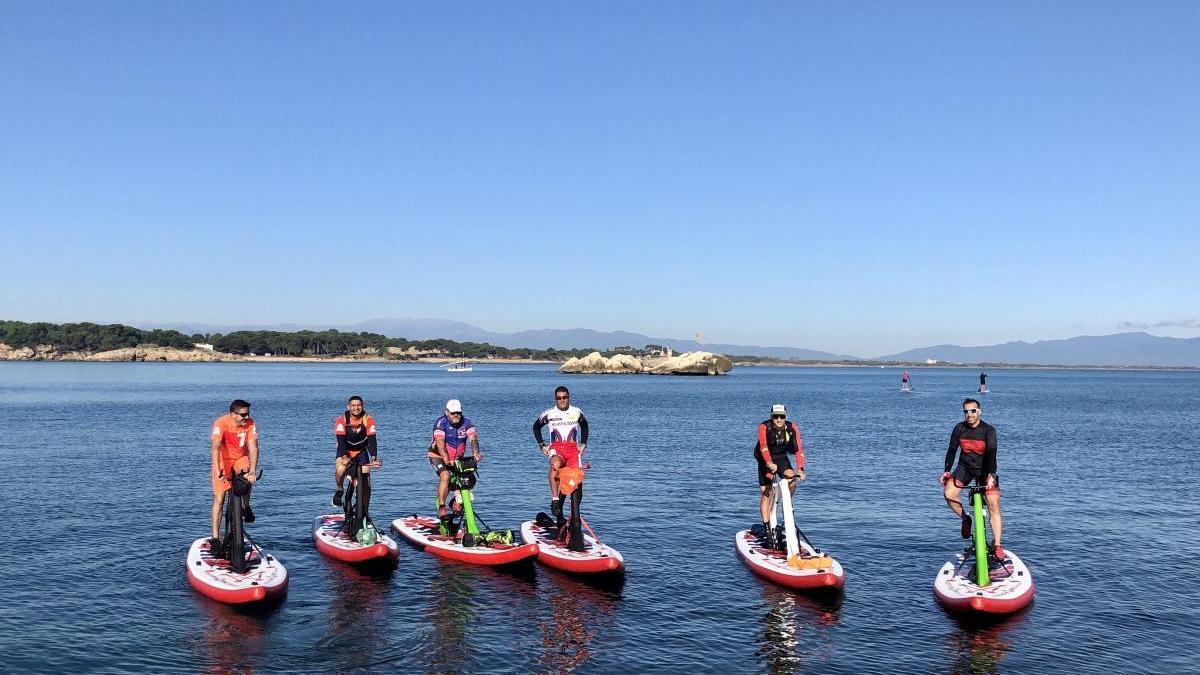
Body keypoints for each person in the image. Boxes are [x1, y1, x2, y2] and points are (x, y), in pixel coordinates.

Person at [940, 398, 1004, 560]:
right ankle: (966, 519)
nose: (969, 414)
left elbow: (991, 454)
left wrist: (991, 474)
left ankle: (997, 546)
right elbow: (952, 451)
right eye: (966, 411)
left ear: (979, 412)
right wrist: (947, 471)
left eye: (973, 411)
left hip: (985, 470)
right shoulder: (959, 428)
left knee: (994, 504)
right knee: (949, 493)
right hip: (965, 468)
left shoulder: (988, 430)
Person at [533, 386, 589, 526]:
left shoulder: (576, 412)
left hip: (572, 451)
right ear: (555, 399)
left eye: (564, 397)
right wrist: (542, 445)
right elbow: (536, 427)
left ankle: (571, 517)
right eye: (559, 398)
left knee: (574, 484)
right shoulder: (549, 413)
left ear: (569, 397)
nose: (562, 400)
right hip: (556, 449)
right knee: (555, 465)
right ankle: (555, 499)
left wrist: (583, 444)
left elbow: (585, 426)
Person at [754, 404, 806, 547]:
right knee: (766, 492)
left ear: (786, 417)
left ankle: (786, 514)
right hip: (765, 458)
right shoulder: (764, 427)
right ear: (771, 417)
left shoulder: (792, 427)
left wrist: (800, 469)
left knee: (791, 480)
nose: (778, 419)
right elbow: (763, 447)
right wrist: (769, 464)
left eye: (781, 416)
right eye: (775, 416)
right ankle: (767, 528)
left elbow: (799, 450)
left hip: (781, 457)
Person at [210, 399, 258, 550]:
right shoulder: (221, 423)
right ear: (233, 415)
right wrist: (218, 471)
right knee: (220, 499)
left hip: (239, 458)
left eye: (248, 414)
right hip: (222, 460)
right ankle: (215, 538)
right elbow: (215, 447)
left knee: (246, 476)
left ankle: (246, 506)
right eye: (243, 415)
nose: (246, 417)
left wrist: (253, 471)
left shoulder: (250, 423)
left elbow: (253, 448)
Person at [429, 399, 483, 524]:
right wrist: (447, 460)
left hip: (457, 458)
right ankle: (442, 507)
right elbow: (441, 444)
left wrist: (475, 454)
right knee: (445, 475)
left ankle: (455, 501)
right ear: (447, 412)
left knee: (471, 479)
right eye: (453, 413)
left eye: (458, 412)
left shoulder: (467, 422)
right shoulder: (440, 423)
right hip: (438, 456)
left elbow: (473, 439)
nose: (456, 415)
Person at [332, 395, 381, 515]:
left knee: (366, 485)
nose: (356, 408)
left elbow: (372, 439)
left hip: (361, 452)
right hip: (345, 451)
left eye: (359, 405)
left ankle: (364, 512)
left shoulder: (368, 419)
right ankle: (339, 489)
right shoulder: (342, 420)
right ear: (348, 407)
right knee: (340, 469)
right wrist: (344, 457)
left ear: (362, 406)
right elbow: (341, 440)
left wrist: (374, 458)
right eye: (353, 405)